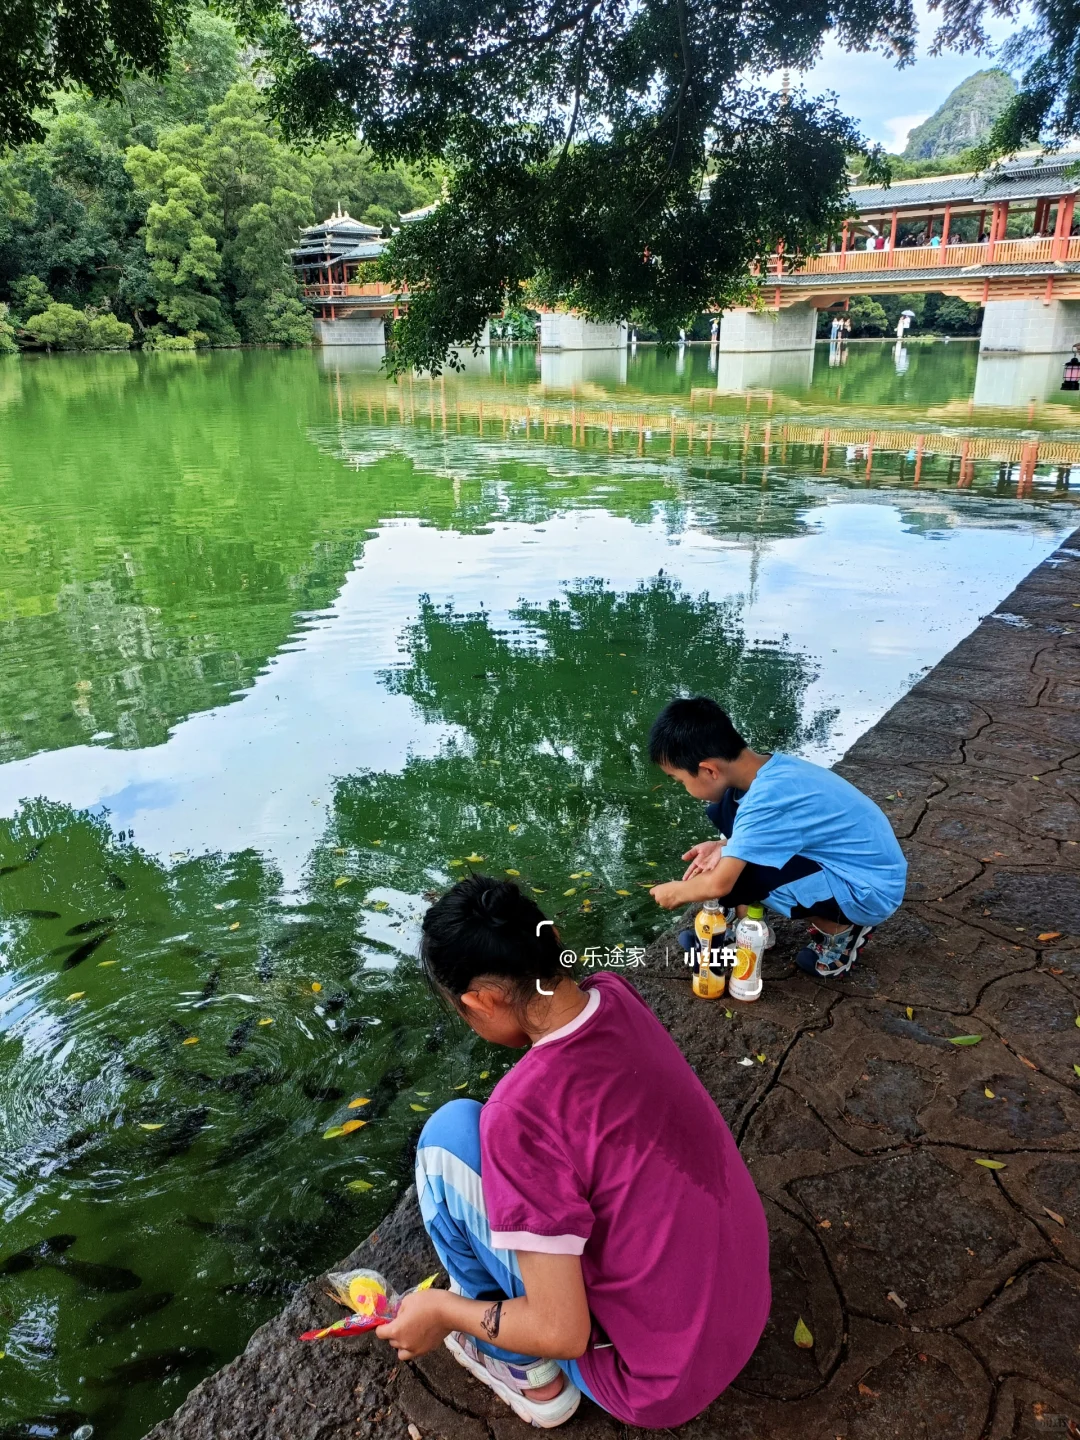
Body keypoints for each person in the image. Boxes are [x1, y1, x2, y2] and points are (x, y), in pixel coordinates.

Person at [376, 876, 770, 1428]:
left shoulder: (518, 1114)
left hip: (654, 1381)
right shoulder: (614, 994)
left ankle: (528, 1376)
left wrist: (442, 1312)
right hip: (743, 1311)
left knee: (447, 1139)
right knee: (479, 1131)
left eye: (463, 1012)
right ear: (551, 938)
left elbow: (563, 1332)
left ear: (482, 1000)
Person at [646, 696, 907, 977]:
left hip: (867, 891)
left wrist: (676, 892)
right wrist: (724, 844)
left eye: (680, 780)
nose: (682, 787)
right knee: (728, 814)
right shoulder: (767, 770)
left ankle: (841, 931)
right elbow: (771, 827)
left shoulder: (767, 799)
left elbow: (720, 884)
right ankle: (750, 927)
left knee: (739, 875)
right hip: (860, 868)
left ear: (709, 769)